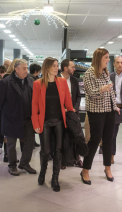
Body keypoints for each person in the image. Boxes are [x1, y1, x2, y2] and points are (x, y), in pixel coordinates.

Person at [32, 57, 74, 192]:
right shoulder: (38, 83)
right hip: (44, 122)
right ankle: (43, 172)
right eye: (54, 66)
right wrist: (35, 122)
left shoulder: (62, 82)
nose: (57, 68)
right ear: (47, 67)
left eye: (57, 66)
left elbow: (68, 102)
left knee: (58, 150)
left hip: (59, 122)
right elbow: (35, 105)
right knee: (45, 151)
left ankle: (55, 178)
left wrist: (73, 116)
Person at [81, 48, 120, 185]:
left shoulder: (105, 72)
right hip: (96, 112)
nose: (108, 60)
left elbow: (110, 92)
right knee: (94, 140)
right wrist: (101, 90)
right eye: (106, 58)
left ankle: (107, 168)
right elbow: (90, 93)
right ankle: (85, 170)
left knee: (108, 140)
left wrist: (114, 106)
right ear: (99, 58)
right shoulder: (89, 74)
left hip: (109, 111)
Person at [0, 59, 37, 176]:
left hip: (28, 117)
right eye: (24, 68)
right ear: (16, 69)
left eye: (27, 68)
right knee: (11, 144)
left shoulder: (30, 81)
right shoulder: (6, 82)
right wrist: (10, 112)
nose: (26, 71)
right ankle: (12, 165)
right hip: (12, 118)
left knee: (30, 141)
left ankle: (24, 163)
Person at [59, 59, 83, 168]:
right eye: (72, 67)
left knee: (76, 136)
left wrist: (74, 108)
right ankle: (62, 160)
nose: (74, 69)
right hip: (60, 114)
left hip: (73, 113)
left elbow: (78, 96)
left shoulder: (74, 80)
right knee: (61, 137)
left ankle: (77, 158)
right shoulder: (56, 80)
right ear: (65, 68)